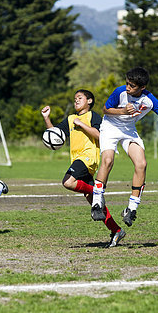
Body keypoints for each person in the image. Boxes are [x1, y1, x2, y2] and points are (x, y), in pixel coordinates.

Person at [90, 67, 158, 227]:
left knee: (141, 164)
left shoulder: (149, 100)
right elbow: (105, 110)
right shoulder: (120, 92)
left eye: (132, 86)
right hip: (110, 127)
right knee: (108, 160)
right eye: (127, 83)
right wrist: (122, 111)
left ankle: (131, 208)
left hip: (129, 130)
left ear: (142, 87)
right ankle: (96, 203)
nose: (128, 87)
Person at [42, 89, 126, 248]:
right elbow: (55, 136)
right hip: (77, 159)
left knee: (68, 182)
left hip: (88, 158)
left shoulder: (92, 116)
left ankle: (96, 191)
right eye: (74, 99)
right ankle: (116, 230)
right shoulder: (70, 119)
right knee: (94, 201)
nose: (76, 101)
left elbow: (101, 136)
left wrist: (82, 125)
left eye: (79, 98)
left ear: (89, 101)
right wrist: (47, 118)